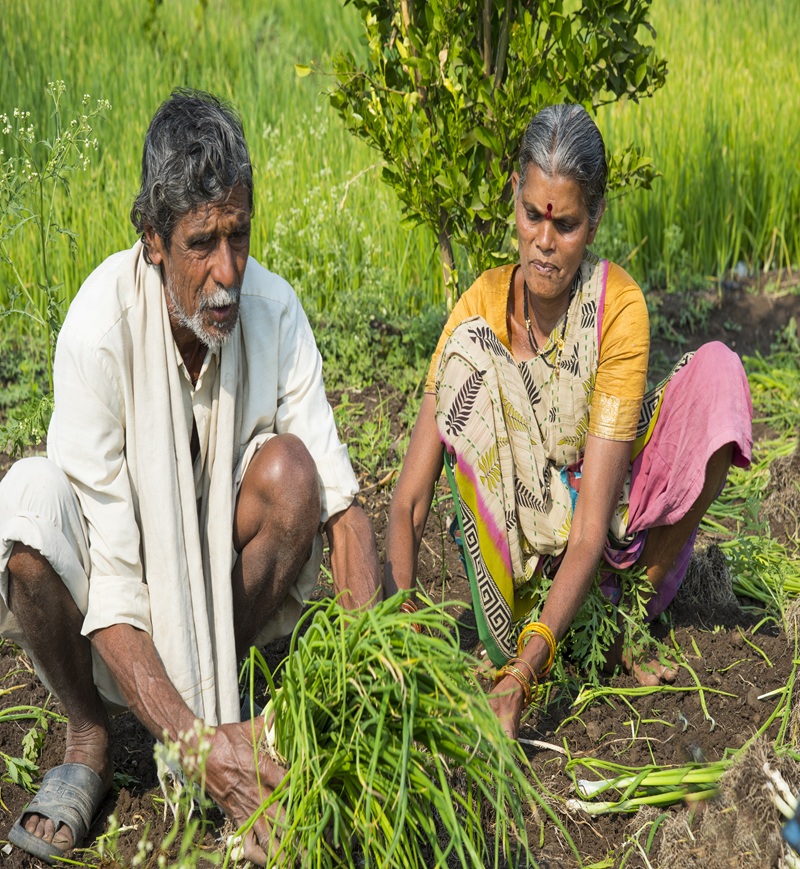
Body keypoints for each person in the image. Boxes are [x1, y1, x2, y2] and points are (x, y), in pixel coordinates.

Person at [0, 89, 381, 866]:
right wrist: (202, 745)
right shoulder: (97, 335)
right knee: (27, 512)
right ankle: (93, 734)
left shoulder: (272, 311)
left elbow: (345, 512)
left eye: (238, 235)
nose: (228, 271)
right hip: (122, 593)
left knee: (294, 475)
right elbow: (110, 582)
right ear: (152, 240)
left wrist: (369, 690)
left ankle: (227, 683)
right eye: (202, 243)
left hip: (225, 595)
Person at [385, 104, 752, 740]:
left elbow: (587, 534)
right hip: (517, 583)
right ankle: (532, 631)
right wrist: (401, 634)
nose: (545, 243)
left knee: (717, 375)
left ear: (595, 218)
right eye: (533, 216)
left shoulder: (616, 308)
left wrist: (525, 678)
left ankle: (619, 627)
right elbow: (408, 503)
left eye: (568, 225)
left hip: (606, 562)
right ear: (515, 199)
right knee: (468, 352)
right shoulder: (478, 311)